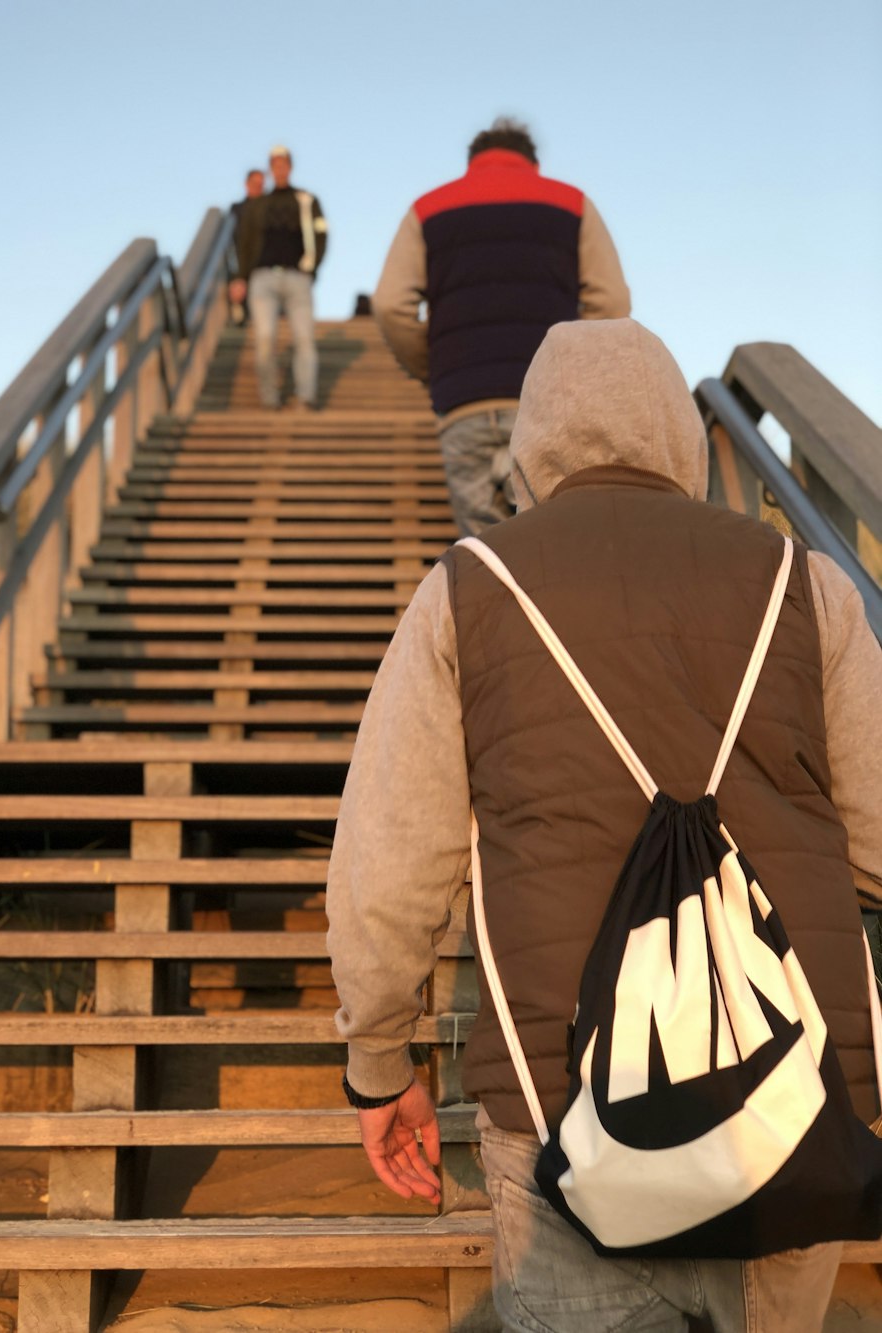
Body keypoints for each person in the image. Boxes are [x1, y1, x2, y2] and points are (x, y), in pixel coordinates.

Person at [327, 318, 882, 1332]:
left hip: (565, 1108)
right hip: (788, 1105)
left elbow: (389, 864)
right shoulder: (807, 584)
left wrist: (378, 1064)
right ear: (679, 432)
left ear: (532, 443)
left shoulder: (466, 588)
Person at [372, 117, 631, 536]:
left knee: (484, 560)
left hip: (464, 405)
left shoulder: (429, 208)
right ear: (531, 161)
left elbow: (389, 305)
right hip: (547, 402)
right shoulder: (571, 203)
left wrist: (434, 366)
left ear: (473, 161)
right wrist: (574, 371)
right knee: (553, 546)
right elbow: (612, 301)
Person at [232, 145, 328, 410]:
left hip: (298, 277)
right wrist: (241, 277)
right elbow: (246, 243)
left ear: (290, 167)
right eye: (275, 164)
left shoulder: (306, 200)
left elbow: (321, 234)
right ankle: (269, 399)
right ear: (271, 169)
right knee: (265, 338)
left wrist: (312, 267)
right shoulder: (258, 206)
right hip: (262, 277)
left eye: (284, 163)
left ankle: (306, 397)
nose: (280, 168)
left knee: (304, 338)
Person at [228, 168, 265, 325]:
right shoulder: (236, 210)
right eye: (254, 183)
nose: (257, 187)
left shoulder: (269, 209)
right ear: (246, 184)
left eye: (261, 184)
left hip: (264, 266)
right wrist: (238, 276)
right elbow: (232, 241)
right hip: (242, 266)